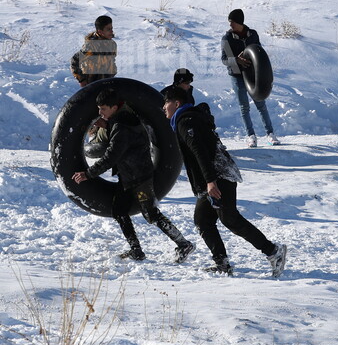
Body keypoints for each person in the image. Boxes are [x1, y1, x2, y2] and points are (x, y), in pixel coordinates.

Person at [161, 86, 287, 277]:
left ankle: (273, 252)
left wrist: (211, 181)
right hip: (216, 175)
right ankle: (223, 264)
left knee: (230, 219)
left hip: (218, 176)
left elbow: (199, 152)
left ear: (176, 103)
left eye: (166, 102)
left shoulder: (185, 122)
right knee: (203, 220)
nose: (163, 107)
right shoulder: (188, 118)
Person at [72, 88, 194, 263]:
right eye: (99, 108)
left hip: (139, 178)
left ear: (114, 107)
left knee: (150, 214)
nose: (100, 112)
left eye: (104, 109)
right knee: (119, 211)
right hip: (128, 175)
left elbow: (112, 155)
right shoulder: (121, 119)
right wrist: (107, 125)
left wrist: (88, 174)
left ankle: (183, 244)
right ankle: (136, 249)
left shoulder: (122, 126)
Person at [220, 9, 279, 148]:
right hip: (237, 75)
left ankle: (270, 134)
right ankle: (251, 136)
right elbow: (224, 59)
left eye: (232, 22)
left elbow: (258, 51)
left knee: (261, 104)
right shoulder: (227, 38)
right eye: (229, 22)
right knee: (244, 107)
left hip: (252, 73)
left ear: (240, 22)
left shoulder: (252, 34)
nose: (230, 25)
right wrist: (236, 60)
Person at [70, 15, 118, 87]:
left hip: (107, 82)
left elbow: (112, 60)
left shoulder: (112, 44)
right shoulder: (91, 46)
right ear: (100, 31)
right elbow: (75, 60)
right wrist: (81, 80)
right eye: (108, 29)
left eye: (112, 28)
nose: (112, 31)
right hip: (92, 84)